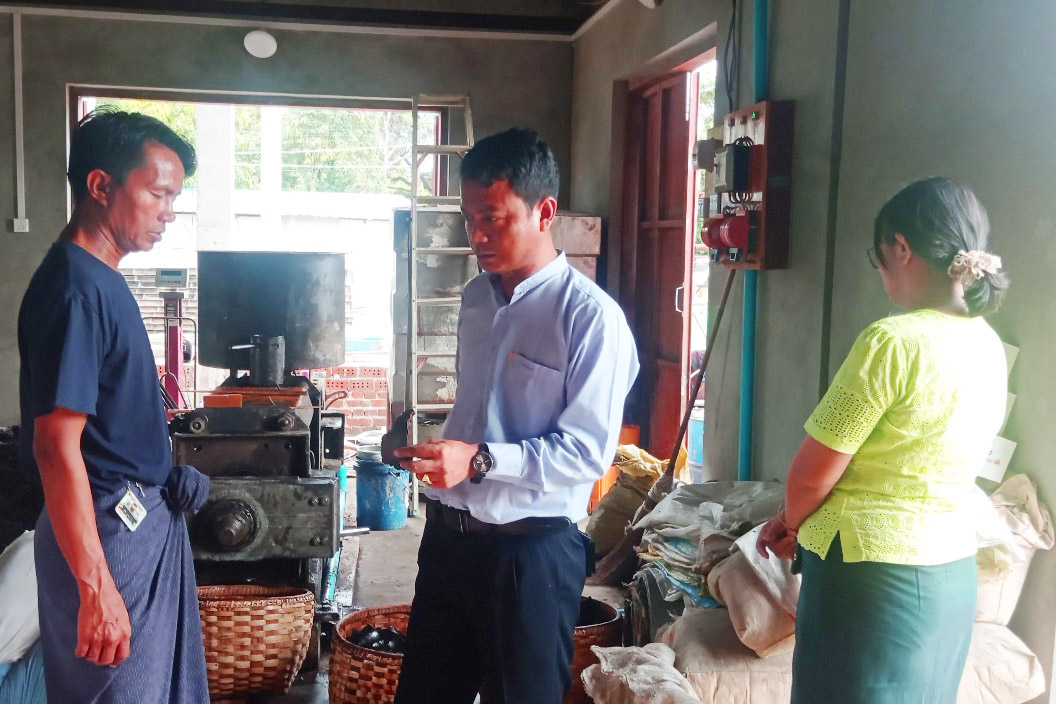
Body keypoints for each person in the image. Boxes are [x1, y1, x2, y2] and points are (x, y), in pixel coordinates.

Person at [392, 127, 639, 704]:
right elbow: (480, 412)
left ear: (544, 212)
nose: (476, 236)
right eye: (468, 219)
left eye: (493, 219)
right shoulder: (477, 299)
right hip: (449, 543)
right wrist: (442, 455)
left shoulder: (590, 318)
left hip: (530, 557)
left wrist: (477, 460)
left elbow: (587, 453)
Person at [756, 177, 1009, 703]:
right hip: (950, 576)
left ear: (901, 247)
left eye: (880, 257)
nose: (881, 271)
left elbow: (812, 473)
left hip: (868, 580)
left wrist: (789, 523)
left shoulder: (892, 340)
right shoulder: (987, 343)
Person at [18, 109, 210, 704]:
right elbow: (56, 446)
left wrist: (160, 471)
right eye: (158, 194)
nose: (169, 212)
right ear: (101, 186)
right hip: (107, 534)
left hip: (135, 520)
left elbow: (106, 422)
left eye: (174, 197)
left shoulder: (102, 279)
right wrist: (96, 586)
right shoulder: (75, 290)